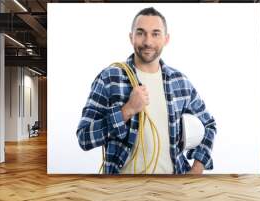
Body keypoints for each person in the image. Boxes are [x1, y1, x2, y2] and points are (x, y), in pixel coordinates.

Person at [76, 7, 216, 174]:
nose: (148, 41)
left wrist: (196, 170)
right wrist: (127, 110)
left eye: (155, 33)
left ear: (166, 39)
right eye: (141, 33)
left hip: (173, 189)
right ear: (131, 37)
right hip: (122, 190)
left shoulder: (180, 82)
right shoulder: (109, 78)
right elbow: (84, 138)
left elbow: (209, 125)